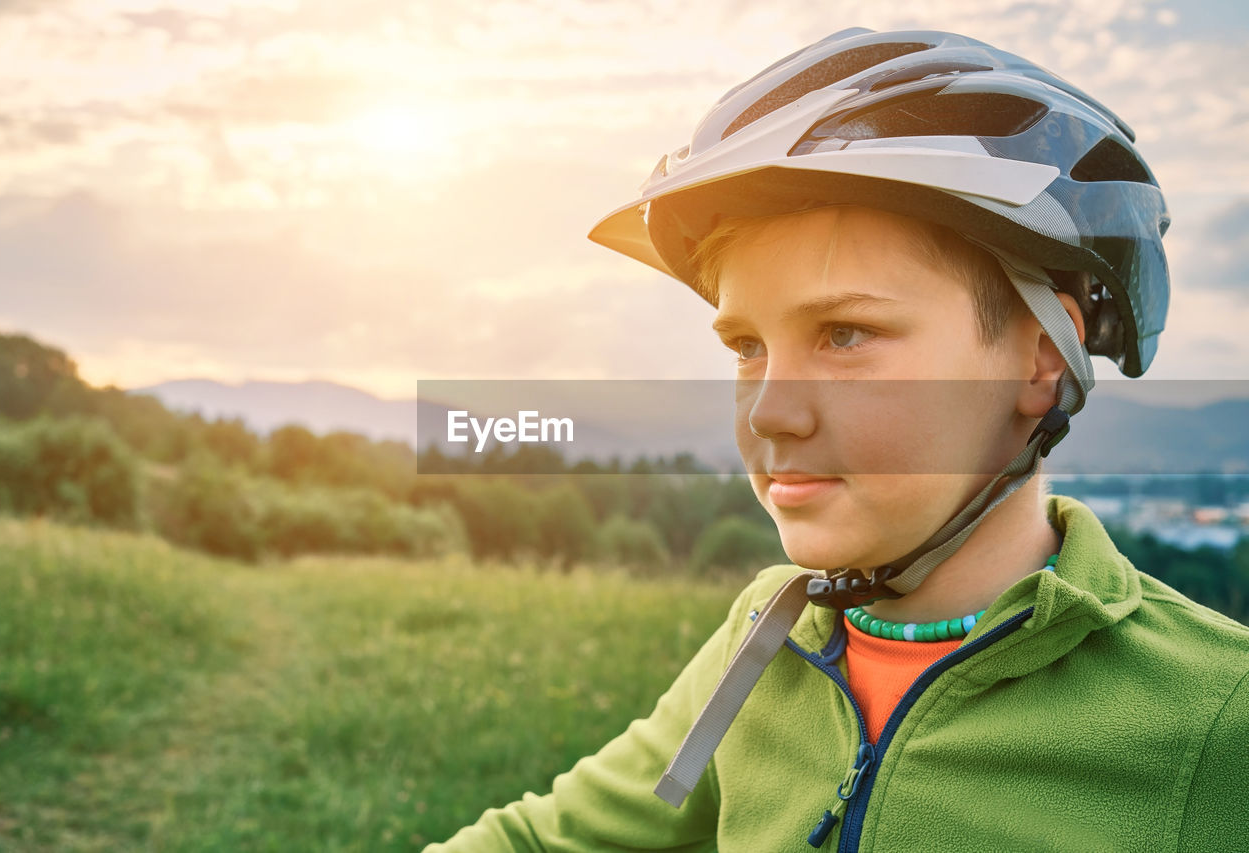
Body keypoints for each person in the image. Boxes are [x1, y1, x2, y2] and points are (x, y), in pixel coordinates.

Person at [424, 27, 1249, 851]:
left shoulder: (1218, 717)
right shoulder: (766, 638)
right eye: (747, 346)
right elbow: (539, 839)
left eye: (846, 334)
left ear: (1038, 359)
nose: (769, 413)